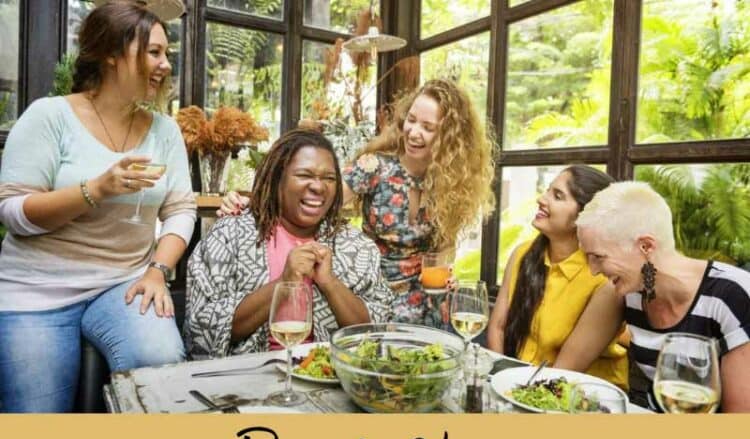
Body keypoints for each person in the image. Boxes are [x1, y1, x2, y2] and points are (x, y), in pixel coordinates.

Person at [0, 1, 196, 413]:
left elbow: (181, 209)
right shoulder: (50, 117)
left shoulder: (165, 131)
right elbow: (14, 213)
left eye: (167, 54)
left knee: (159, 370)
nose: (164, 65)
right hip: (37, 291)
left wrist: (158, 270)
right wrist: (96, 189)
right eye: (153, 52)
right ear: (111, 54)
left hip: (122, 283)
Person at [220, 79, 496, 327]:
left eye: (428, 127)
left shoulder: (453, 185)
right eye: (411, 120)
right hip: (376, 303)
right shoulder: (374, 167)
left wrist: (446, 274)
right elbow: (317, 198)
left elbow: (444, 251)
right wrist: (249, 202)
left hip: (430, 305)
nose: (413, 132)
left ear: (449, 137)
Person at [185, 128, 393, 358]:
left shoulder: (355, 247)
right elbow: (201, 330)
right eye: (304, 175)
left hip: (326, 376)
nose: (318, 186)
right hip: (248, 376)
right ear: (278, 178)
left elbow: (374, 333)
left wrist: (330, 283)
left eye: (329, 178)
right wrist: (285, 281)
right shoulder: (230, 236)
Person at [576, 181, 750, 412]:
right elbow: (564, 370)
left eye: (598, 257)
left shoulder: (733, 294)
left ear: (646, 246)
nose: (593, 270)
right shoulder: (624, 291)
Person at [486, 166, 629, 390]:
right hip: (518, 383)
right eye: (547, 191)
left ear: (584, 216)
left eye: (557, 196)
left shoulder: (604, 281)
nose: (541, 199)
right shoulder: (523, 254)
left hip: (582, 398)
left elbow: (563, 373)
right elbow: (498, 327)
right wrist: (498, 379)